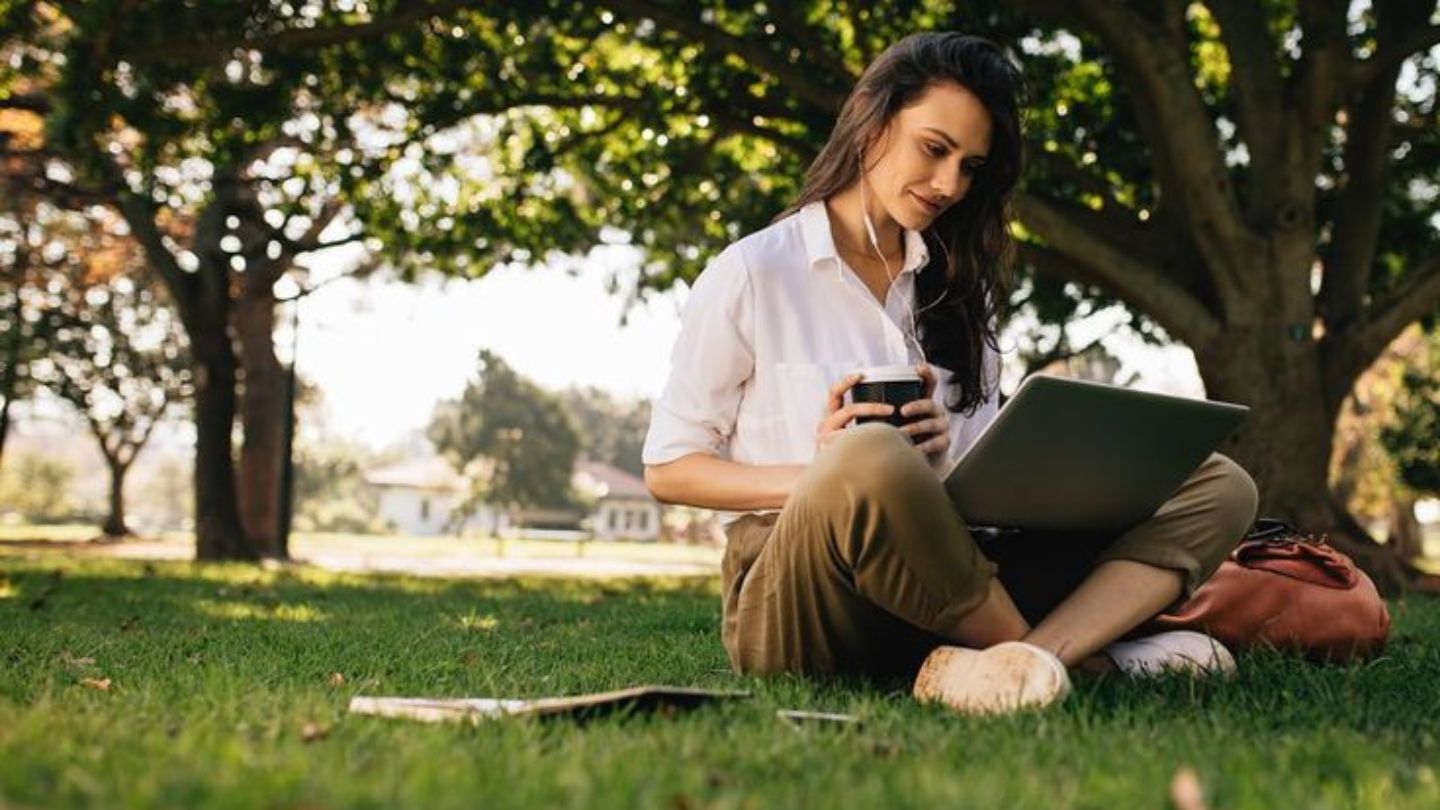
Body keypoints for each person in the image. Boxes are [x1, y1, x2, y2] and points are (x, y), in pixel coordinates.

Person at [641, 33, 1258, 715]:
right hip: (803, 603)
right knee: (868, 455)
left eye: (970, 167)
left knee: (1218, 483)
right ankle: (1071, 663)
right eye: (934, 150)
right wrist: (826, 473)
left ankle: (1010, 670)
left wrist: (949, 456)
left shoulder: (960, 292)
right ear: (873, 121)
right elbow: (670, 468)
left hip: (947, 583)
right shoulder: (755, 272)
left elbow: (982, 487)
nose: (949, 186)